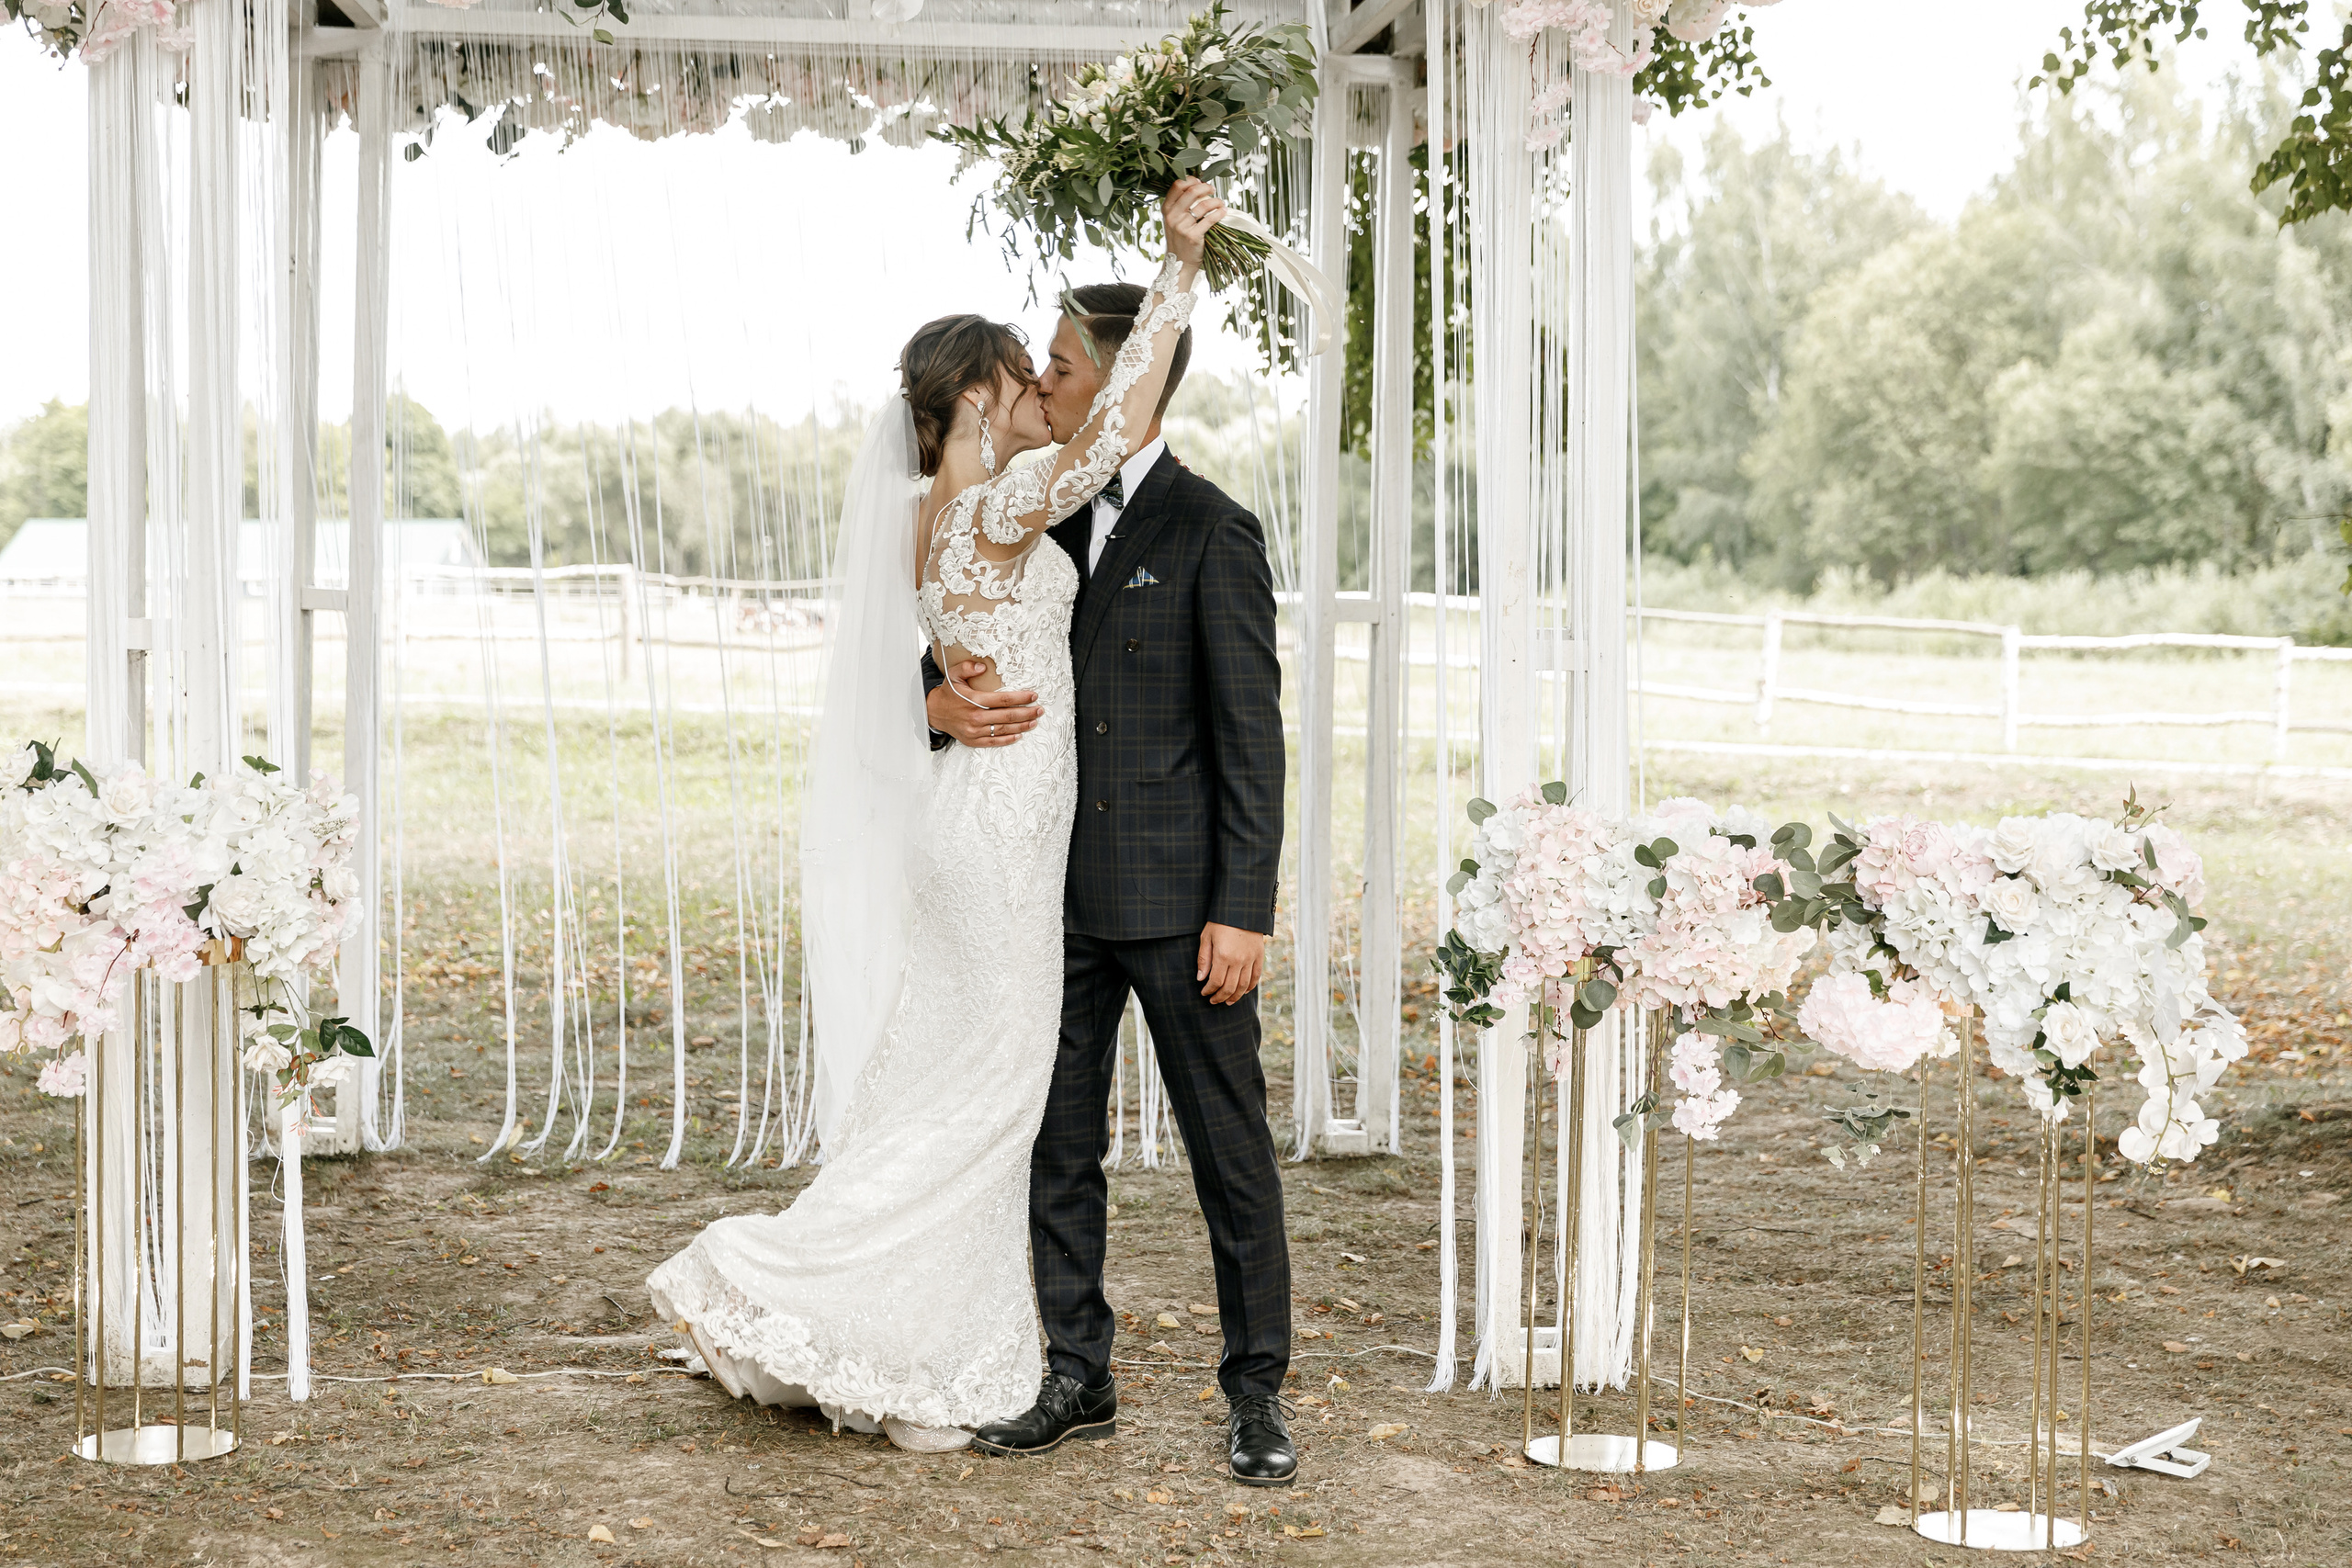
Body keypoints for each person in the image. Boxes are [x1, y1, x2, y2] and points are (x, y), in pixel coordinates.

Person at [647, 181, 1224, 1455]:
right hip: (1003, 835)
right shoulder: (992, 509)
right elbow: (1123, 425)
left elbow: (928, 664)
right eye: (1024, 378)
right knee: (991, 1094)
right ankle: (809, 1288)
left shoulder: (931, 524)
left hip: (977, 820)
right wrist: (1176, 272)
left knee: (954, 1084)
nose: (1039, 395)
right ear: (974, 399)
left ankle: (922, 1321)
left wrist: (941, 700)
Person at [925, 232, 1295, 1484]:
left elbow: (1253, 741)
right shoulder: (1038, 516)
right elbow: (960, 645)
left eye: (1066, 362)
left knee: (1227, 1154)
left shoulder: (1213, 531)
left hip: (1185, 909)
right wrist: (937, 701)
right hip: (1048, 901)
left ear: (1126, 380)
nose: (1046, 377)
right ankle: (1077, 1373)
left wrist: (1244, 908)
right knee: (1055, 1142)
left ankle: (1257, 1394)